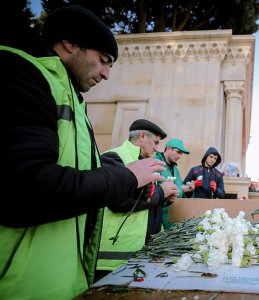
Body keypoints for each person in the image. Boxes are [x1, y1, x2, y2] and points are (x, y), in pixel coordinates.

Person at [0, 5, 167, 299]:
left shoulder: (74, 100)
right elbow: (27, 187)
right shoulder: (21, 74)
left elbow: (81, 187)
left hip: (63, 283)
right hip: (19, 286)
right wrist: (127, 179)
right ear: (70, 43)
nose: (105, 74)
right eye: (103, 61)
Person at [96, 119, 179, 279]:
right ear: (142, 136)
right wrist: (161, 192)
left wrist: (165, 198)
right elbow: (119, 202)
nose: (156, 148)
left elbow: (146, 201)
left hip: (142, 254)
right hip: (115, 258)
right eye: (155, 142)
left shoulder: (145, 162)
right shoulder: (113, 157)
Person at [155, 138, 191, 229]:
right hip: (158, 216)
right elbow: (152, 188)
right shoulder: (156, 161)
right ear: (169, 148)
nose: (179, 156)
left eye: (181, 154)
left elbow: (179, 185)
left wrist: (187, 189)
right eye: (178, 152)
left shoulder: (175, 167)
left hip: (173, 215)